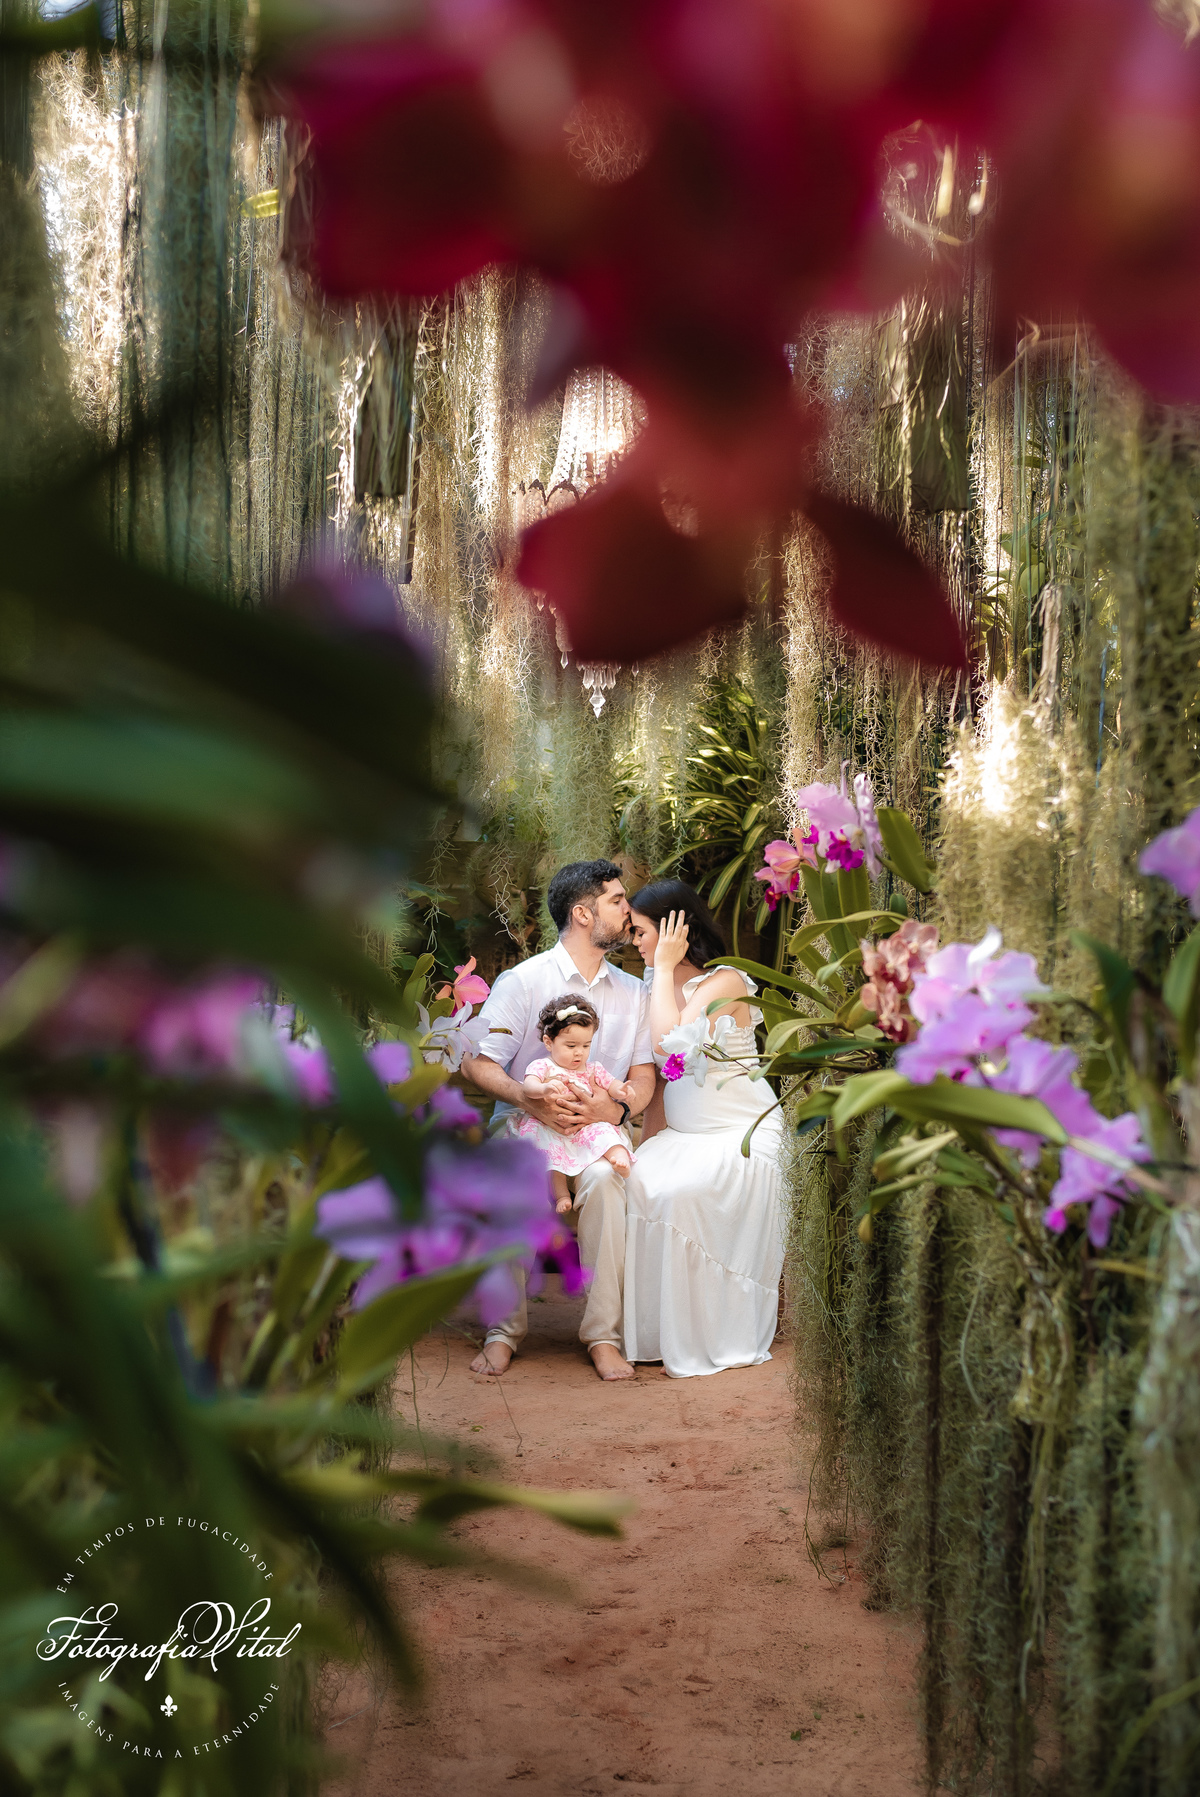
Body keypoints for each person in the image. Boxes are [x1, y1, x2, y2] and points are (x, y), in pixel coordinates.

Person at [461, 859, 656, 1381]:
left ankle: (603, 1336)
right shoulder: (523, 982)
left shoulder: (635, 994)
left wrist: (613, 1109)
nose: (627, 909)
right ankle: (503, 1332)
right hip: (526, 1126)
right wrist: (528, 1098)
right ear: (583, 913)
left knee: (607, 1180)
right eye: (617, 900)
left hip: (597, 1133)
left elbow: (642, 1078)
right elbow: (476, 1061)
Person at [622, 879, 785, 1378]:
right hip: (683, 1135)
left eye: (641, 931)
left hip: (740, 1131)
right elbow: (665, 1081)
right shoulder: (654, 987)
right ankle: (655, 1333)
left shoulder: (726, 980)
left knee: (681, 1193)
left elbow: (672, 1047)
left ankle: (714, 1330)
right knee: (639, 1180)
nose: (635, 942)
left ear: (674, 928)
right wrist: (646, 1143)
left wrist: (667, 965)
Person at [517, 995, 636, 1214]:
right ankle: (551, 1194)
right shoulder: (543, 1065)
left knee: (603, 1129)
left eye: (586, 1045)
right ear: (548, 1042)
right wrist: (543, 1089)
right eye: (571, 1045)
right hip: (550, 1125)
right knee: (545, 1152)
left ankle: (619, 1157)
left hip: (584, 1125)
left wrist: (620, 1090)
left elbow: (610, 1084)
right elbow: (528, 1086)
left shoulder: (592, 1069)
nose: (579, 1052)